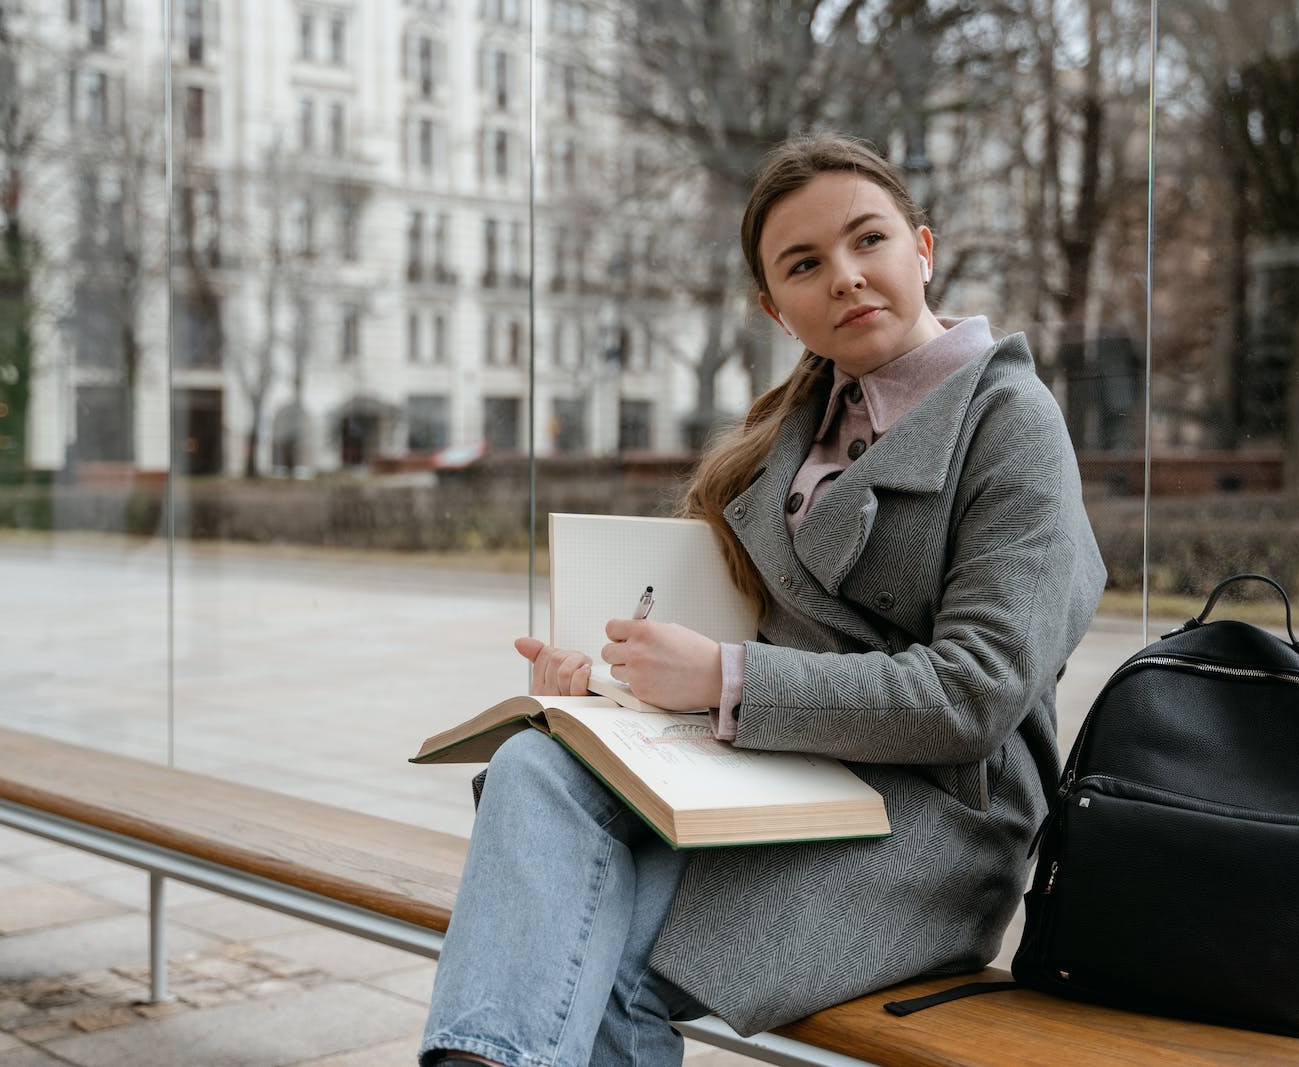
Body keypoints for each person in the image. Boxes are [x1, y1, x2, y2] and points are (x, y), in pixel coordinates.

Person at [419, 133, 1106, 1067]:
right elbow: (727, 630)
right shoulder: (794, 427)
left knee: (612, 960)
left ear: (924, 249)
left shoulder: (1010, 423)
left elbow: (975, 694)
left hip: (929, 824)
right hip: (773, 778)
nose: (847, 277)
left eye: (869, 242)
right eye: (806, 264)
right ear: (775, 308)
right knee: (537, 770)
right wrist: (604, 690)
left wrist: (722, 677)